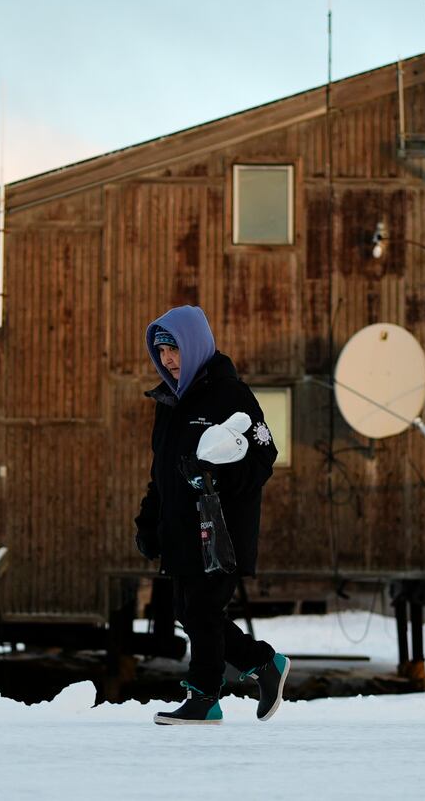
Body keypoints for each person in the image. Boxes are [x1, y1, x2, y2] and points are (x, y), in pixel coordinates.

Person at [134, 304, 289, 725]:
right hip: (180, 530)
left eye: (175, 349)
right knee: (191, 611)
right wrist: (149, 523)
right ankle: (263, 663)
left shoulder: (231, 395)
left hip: (221, 530)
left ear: (195, 345)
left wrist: (216, 474)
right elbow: (159, 475)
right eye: (161, 351)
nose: (168, 359)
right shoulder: (168, 401)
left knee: (201, 610)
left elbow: (264, 458)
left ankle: (205, 696)